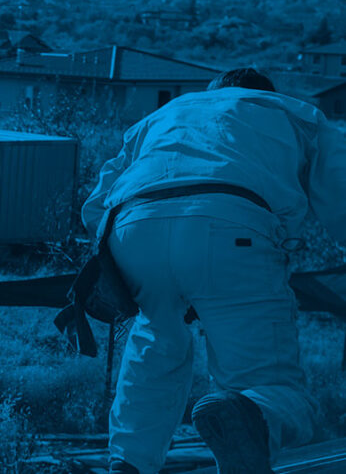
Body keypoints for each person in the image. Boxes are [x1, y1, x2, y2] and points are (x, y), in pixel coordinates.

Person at [82, 68, 346, 474]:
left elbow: (96, 204)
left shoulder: (163, 116)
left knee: (155, 340)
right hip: (231, 225)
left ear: (212, 92)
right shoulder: (295, 113)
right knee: (267, 380)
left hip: (132, 228)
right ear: (265, 93)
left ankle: (130, 461)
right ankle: (252, 413)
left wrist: (124, 264)